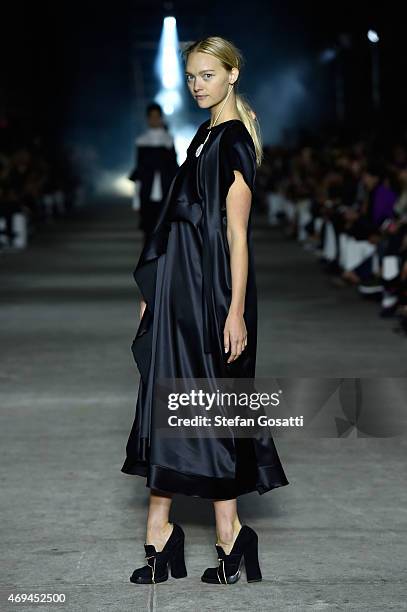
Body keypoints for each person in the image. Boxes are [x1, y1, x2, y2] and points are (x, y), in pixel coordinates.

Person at [121, 36, 289, 585]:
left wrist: (235, 310)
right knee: (172, 400)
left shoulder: (234, 141)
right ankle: (173, 532)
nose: (197, 85)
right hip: (181, 292)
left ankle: (220, 535)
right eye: (191, 76)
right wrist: (155, 286)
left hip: (214, 293)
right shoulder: (204, 134)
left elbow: (237, 237)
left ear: (232, 75)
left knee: (210, 407)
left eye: (207, 75)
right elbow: (177, 219)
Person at [129, 103, 179, 243]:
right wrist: (136, 199)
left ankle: (163, 263)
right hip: (147, 193)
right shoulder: (141, 141)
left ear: (161, 118)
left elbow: (173, 169)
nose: (155, 119)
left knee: (164, 233)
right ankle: (148, 263)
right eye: (152, 117)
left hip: (165, 192)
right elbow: (139, 171)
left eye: (157, 117)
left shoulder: (168, 140)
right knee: (148, 232)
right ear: (147, 118)